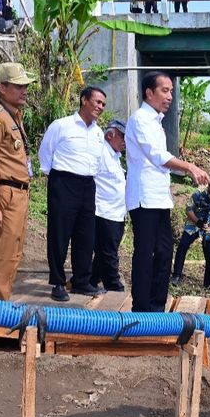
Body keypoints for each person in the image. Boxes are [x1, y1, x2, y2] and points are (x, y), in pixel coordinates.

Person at [125, 71, 210, 312]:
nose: (170, 96)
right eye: (165, 90)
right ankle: (142, 308)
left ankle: (156, 306)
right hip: (144, 198)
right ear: (149, 93)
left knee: (164, 251)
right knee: (146, 252)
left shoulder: (156, 122)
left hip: (159, 198)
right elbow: (157, 156)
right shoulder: (140, 119)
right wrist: (189, 167)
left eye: (171, 91)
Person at [39, 86, 106, 302]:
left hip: (88, 185)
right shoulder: (62, 125)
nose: (100, 107)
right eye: (97, 102)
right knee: (60, 233)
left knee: (86, 235)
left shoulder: (98, 132)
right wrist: (56, 179)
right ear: (84, 100)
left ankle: (81, 281)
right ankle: (58, 282)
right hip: (64, 182)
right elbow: (45, 153)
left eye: (103, 104)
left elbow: (97, 162)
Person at [0, 62, 36, 300]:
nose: (24, 90)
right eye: (18, 86)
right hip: (6, 193)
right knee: (3, 254)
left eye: (25, 86)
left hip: (19, 192)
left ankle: (1, 308)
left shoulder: (13, 116)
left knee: (13, 253)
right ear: (2, 87)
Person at [170, 175, 210, 290]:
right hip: (195, 222)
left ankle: (208, 284)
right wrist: (198, 222)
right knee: (182, 246)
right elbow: (188, 209)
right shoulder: (199, 193)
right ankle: (176, 275)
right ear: (208, 186)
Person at [89, 120, 127, 293]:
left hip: (117, 212)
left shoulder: (115, 155)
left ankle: (92, 278)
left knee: (106, 251)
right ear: (110, 134)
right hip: (104, 211)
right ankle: (113, 285)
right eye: (122, 136)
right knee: (109, 252)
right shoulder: (101, 152)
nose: (125, 141)